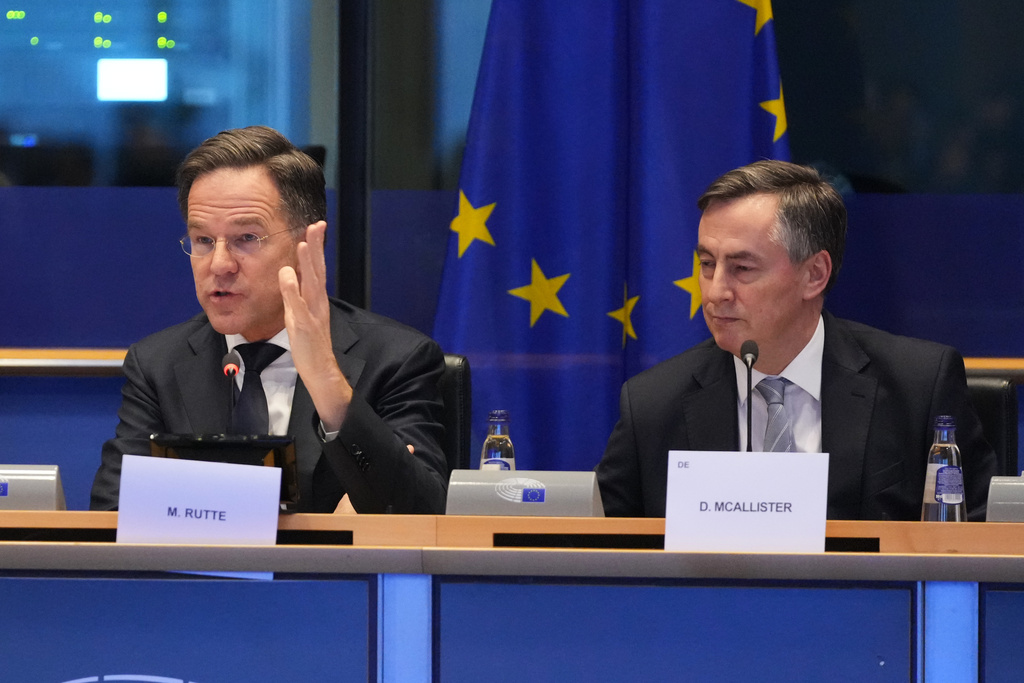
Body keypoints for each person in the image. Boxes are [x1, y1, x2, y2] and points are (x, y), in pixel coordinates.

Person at [596, 160, 996, 521]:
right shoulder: (652, 405)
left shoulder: (917, 388)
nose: (716, 292)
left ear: (814, 274)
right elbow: (595, 546)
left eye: (742, 268)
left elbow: (983, 538)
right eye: (707, 264)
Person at [90, 126, 448, 513]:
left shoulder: (396, 360)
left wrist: (326, 380)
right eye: (203, 240)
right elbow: (114, 515)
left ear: (307, 244)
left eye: (247, 238)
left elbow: (422, 513)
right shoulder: (157, 364)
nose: (219, 264)